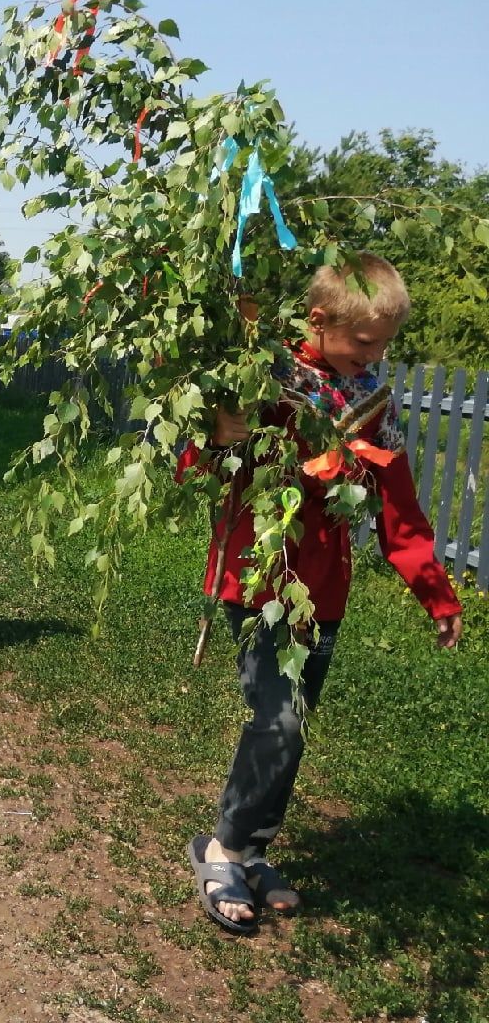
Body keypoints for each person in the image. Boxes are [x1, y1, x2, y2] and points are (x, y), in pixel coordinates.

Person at [181, 254, 463, 934]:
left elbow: (397, 505)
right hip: (259, 580)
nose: (377, 355)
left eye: (386, 343)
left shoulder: (370, 401)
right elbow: (196, 460)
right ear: (319, 320)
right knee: (275, 721)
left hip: (324, 590)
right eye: (365, 340)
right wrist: (218, 433)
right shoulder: (265, 379)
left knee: (294, 726)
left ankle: (252, 847)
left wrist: (438, 594)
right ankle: (219, 849)